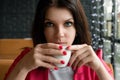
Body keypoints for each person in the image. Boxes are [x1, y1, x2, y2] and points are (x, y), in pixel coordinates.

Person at [5, 0, 114, 80]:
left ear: (77, 28)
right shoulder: (26, 59)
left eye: (68, 23)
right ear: (42, 29)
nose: (59, 34)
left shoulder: (93, 61)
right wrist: (23, 68)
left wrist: (99, 68)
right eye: (50, 24)